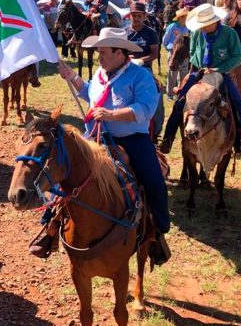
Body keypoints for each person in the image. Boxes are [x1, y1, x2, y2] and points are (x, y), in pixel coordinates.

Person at [54, 27, 170, 264]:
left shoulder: (141, 76)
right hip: (96, 137)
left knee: (154, 181)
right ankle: (51, 223)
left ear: (120, 53)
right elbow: (90, 92)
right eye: (99, 53)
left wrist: (111, 114)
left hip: (132, 140)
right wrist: (72, 77)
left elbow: (145, 108)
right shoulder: (101, 73)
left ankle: (158, 229)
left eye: (104, 53)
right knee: (62, 169)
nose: (100, 58)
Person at [159, 4, 241, 154]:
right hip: (199, 72)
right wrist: (198, 67)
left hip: (221, 73)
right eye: (201, 24)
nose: (202, 27)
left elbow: (238, 56)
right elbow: (193, 51)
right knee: (180, 102)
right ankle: (168, 138)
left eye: (205, 24)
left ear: (214, 21)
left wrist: (218, 69)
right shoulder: (196, 33)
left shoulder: (229, 34)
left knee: (238, 103)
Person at [162, 8, 190, 99]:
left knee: (184, 74)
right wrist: (170, 50)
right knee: (172, 75)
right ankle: (169, 95)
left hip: (184, 54)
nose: (187, 18)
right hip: (173, 53)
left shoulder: (188, 27)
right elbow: (165, 40)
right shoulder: (172, 27)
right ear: (180, 18)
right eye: (185, 16)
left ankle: (181, 94)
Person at [125, 3, 159, 70]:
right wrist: (127, 59)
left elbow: (154, 53)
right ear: (129, 16)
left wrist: (140, 60)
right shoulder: (123, 32)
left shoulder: (151, 33)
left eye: (139, 16)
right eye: (134, 16)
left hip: (144, 67)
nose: (136, 18)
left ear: (144, 16)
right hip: (126, 66)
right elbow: (118, 52)